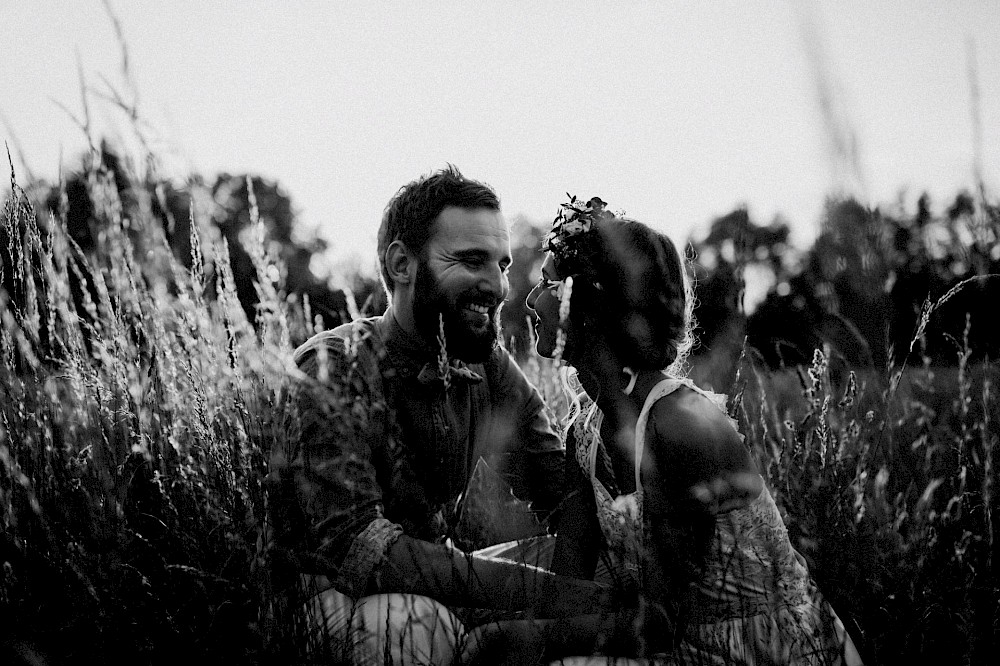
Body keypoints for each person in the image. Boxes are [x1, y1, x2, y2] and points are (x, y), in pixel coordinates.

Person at [466, 196, 864, 664]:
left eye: (550, 283)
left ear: (594, 304)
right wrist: (500, 618)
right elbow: (570, 581)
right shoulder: (585, 430)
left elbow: (660, 622)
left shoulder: (681, 427)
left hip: (760, 648)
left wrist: (528, 639)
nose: (531, 299)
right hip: (671, 637)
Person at [268, 168, 606, 665]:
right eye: (471, 261)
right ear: (403, 264)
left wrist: (571, 604)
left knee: (613, 570)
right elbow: (365, 553)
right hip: (324, 601)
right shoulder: (332, 368)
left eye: (501, 264)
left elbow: (563, 492)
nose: (495, 285)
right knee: (412, 629)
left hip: (431, 590)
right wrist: (551, 598)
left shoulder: (486, 365)